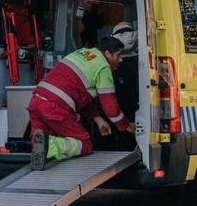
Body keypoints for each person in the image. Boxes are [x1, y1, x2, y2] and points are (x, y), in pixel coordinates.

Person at [29, 34, 131, 171]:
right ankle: (50, 146)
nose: (121, 59)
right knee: (84, 144)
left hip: (36, 101)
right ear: (107, 53)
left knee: (39, 140)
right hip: (54, 107)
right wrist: (125, 126)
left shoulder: (83, 53)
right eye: (118, 55)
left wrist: (99, 120)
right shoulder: (103, 67)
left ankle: (45, 148)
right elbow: (110, 107)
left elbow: (83, 97)